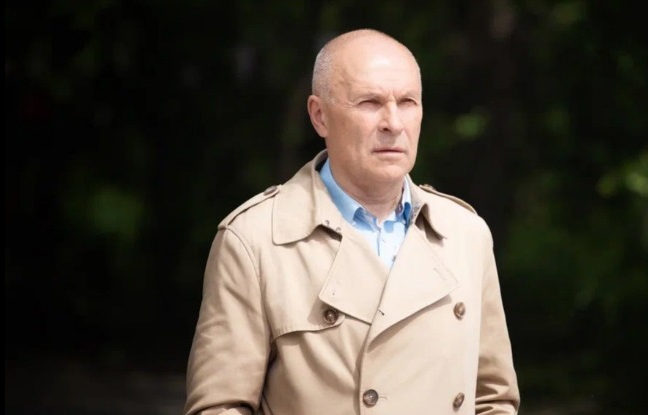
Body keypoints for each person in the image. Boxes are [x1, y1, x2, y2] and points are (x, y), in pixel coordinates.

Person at [184, 28, 520, 415]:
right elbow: (220, 406)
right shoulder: (255, 240)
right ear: (320, 116)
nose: (393, 123)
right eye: (370, 102)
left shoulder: (465, 235)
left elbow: (493, 399)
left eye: (407, 102)